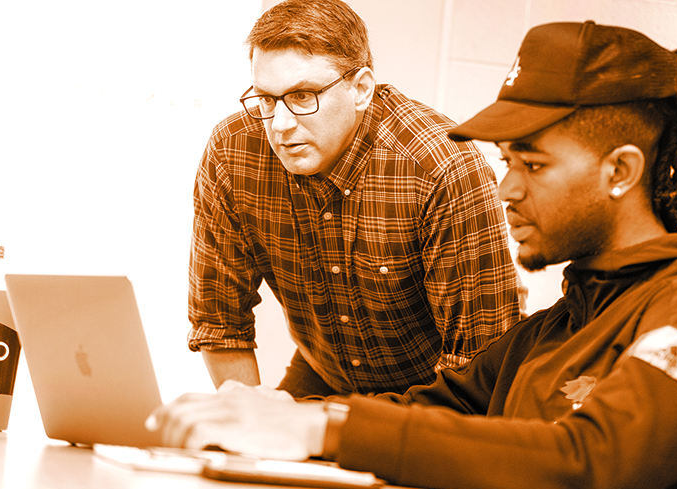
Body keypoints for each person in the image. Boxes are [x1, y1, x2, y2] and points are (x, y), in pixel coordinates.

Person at [152, 21, 677, 489]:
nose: (505, 189)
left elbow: (593, 461)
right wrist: (271, 424)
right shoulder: (558, 327)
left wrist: (323, 427)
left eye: (531, 165)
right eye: (507, 161)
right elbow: (438, 407)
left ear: (619, 171)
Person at [188, 0, 520, 397]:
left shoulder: (441, 167)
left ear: (361, 89)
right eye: (266, 99)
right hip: (327, 372)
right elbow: (220, 325)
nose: (280, 124)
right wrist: (248, 429)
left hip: (441, 388)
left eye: (303, 96)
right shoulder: (233, 151)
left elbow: (478, 365)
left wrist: (346, 432)